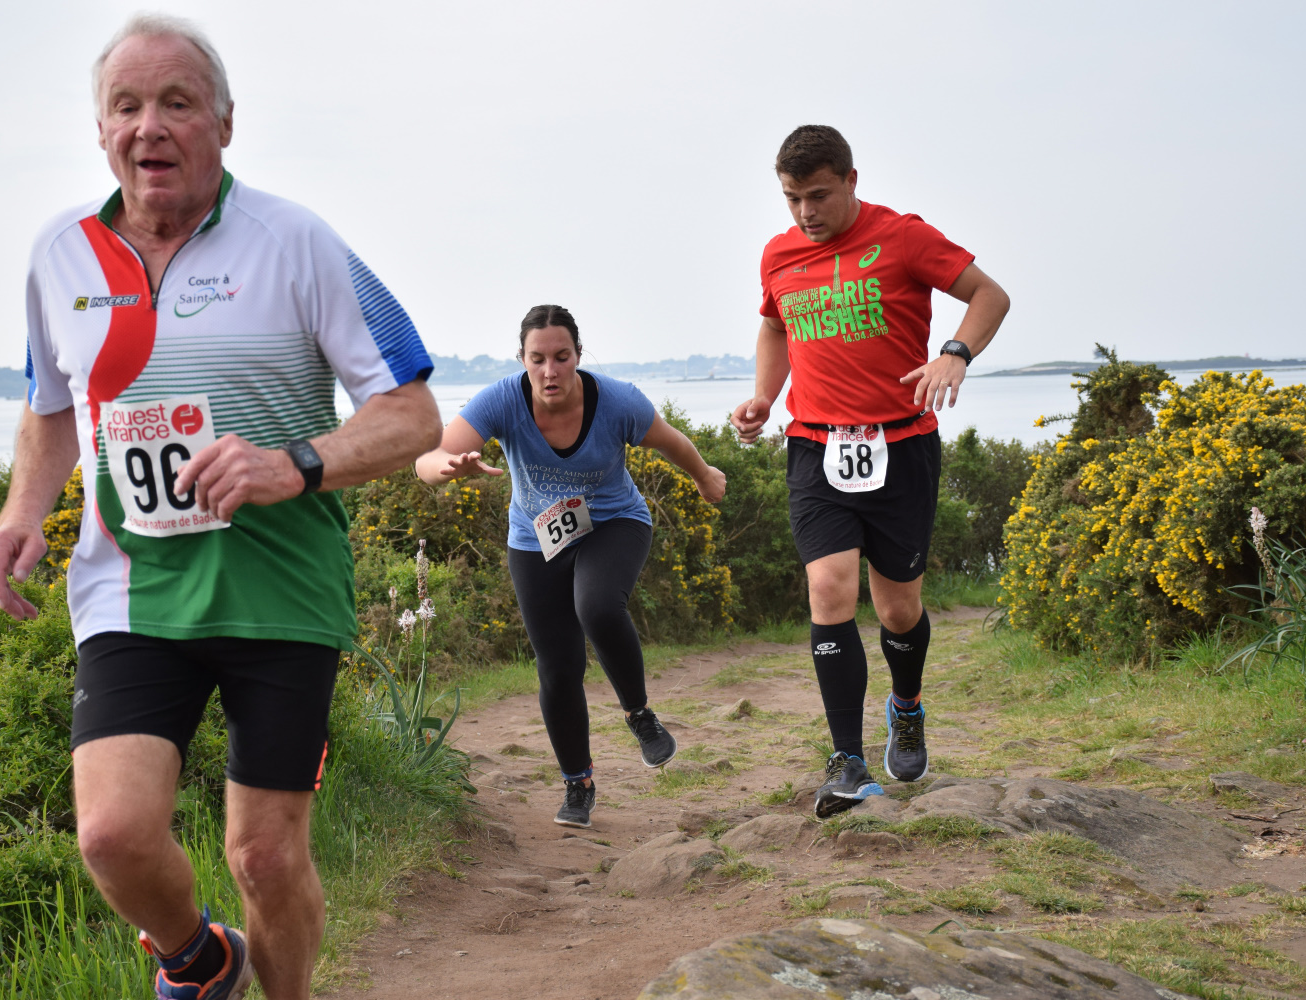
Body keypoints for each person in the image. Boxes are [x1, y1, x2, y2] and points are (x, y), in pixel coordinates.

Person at [0, 15, 441, 1000]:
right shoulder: (59, 256)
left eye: (177, 103)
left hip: (282, 590)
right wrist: (20, 514)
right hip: (131, 589)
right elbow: (51, 407)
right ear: (101, 129)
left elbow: (412, 413)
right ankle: (199, 957)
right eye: (127, 106)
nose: (150, 125)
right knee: (111, 836)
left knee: (265, 856)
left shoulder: (298, 241)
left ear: (224, 124)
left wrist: (295, 463)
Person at [731, 125, 1010, 818]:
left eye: (819, 195)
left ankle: (906, 707)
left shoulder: (903, 237)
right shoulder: (779, 255)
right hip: (815, 446)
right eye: (792, 198)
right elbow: (775, 325)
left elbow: (990, 295)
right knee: (829, 588)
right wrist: (764, 395)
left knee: (896, 609)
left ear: (851, 181)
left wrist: (954, 353)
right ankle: (847, 763)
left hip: (901, 446)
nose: (805, 212)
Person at [415, 305, 725, 828]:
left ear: (579, 355)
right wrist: (449, 468)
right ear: (522, 359)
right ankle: (577, 785)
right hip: (535, 540)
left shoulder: (618, 401)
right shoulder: (501, 401)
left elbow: (671, 441)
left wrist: (704, 475)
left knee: (597, 606)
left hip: (615, 524)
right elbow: (428, 460)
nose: (550, 371)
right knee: (557, 668)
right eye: (537, 359)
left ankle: (639, 714)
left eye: (561, 357)